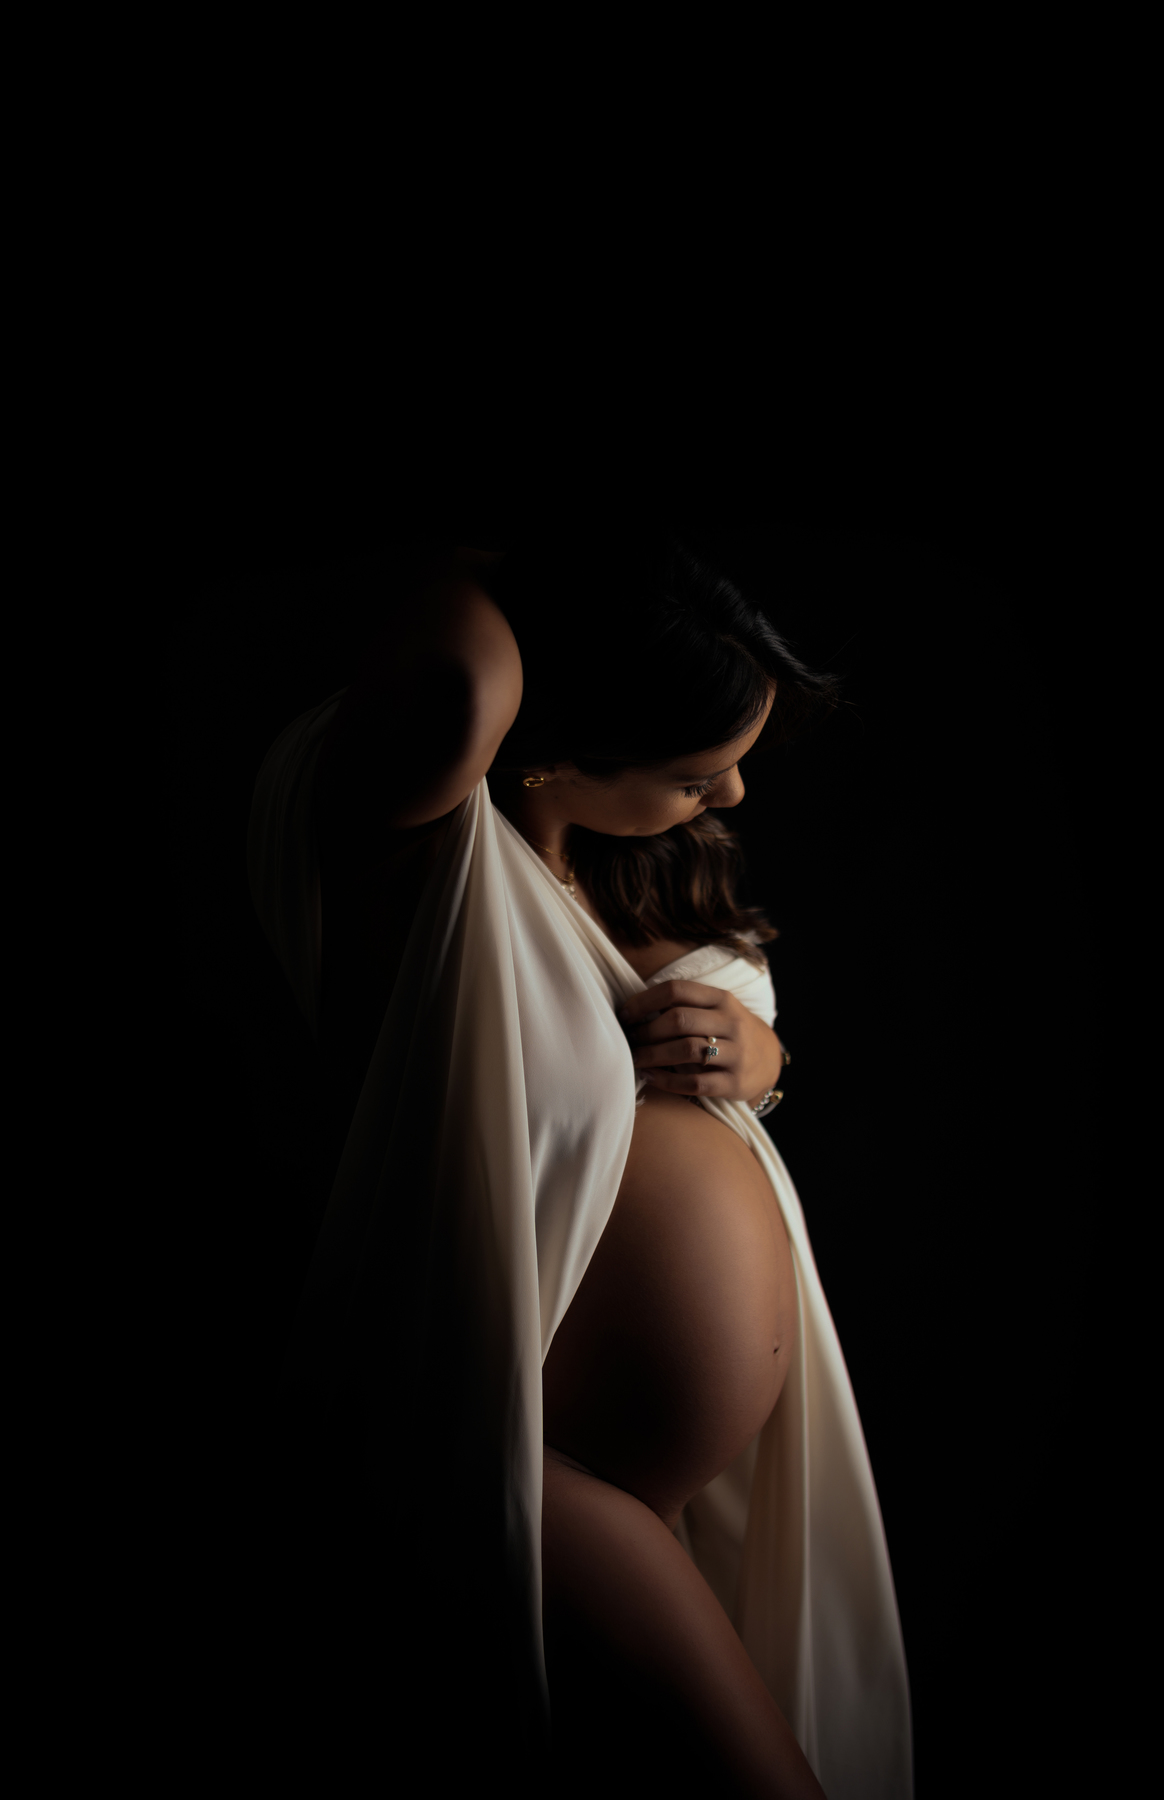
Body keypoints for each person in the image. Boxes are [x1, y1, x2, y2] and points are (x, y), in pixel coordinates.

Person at [247, 532, 912, 1798]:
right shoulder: (408, 843)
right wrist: (550, 577)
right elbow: (464, 674)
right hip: (529, 1465)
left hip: (651, 1483)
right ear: (558, 743)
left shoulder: (630, 861)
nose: (732, 797)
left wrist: (762, 1061)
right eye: (696, 772)